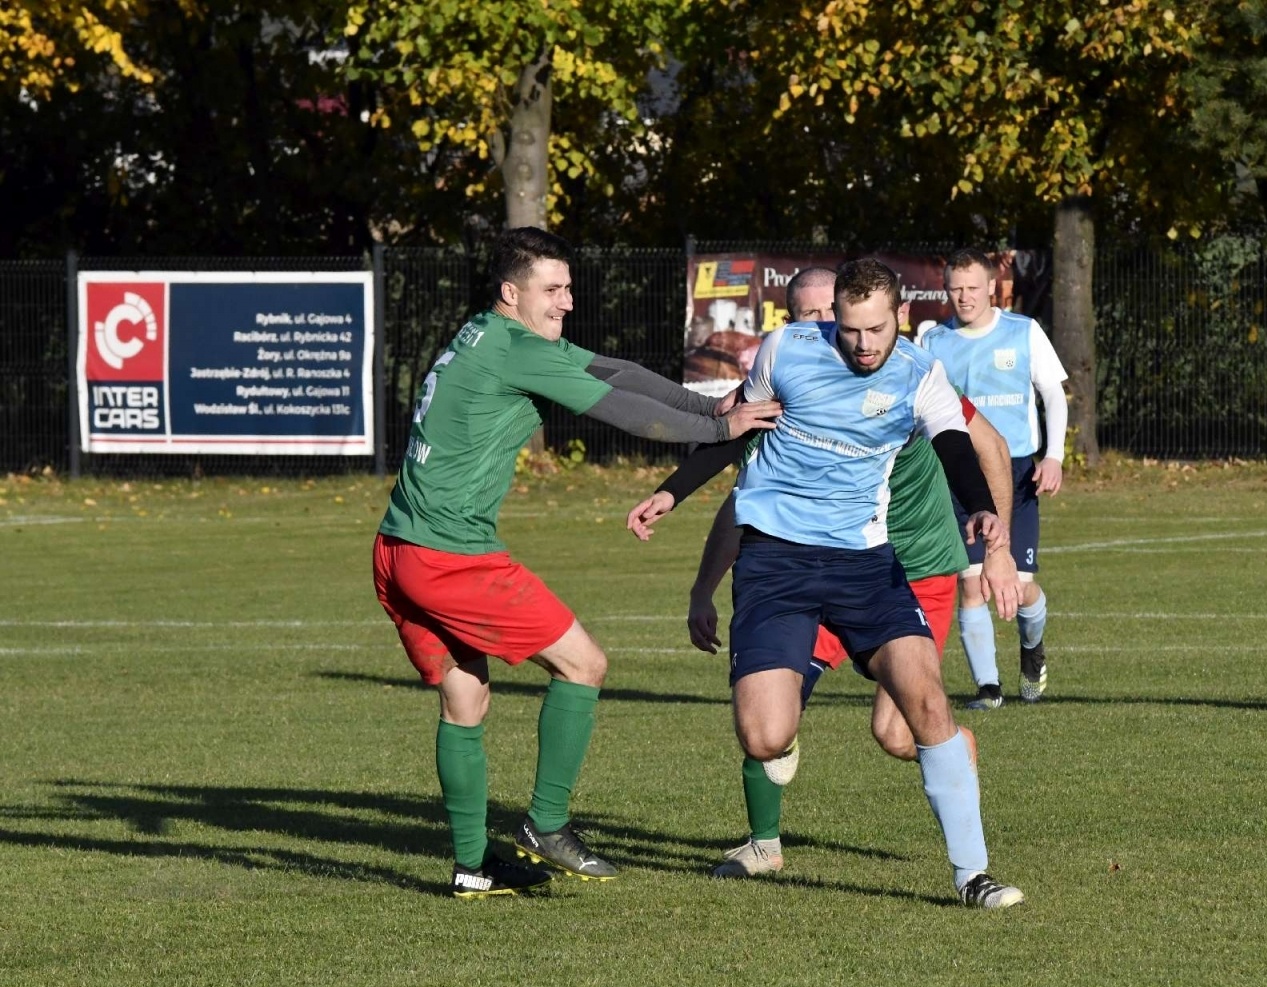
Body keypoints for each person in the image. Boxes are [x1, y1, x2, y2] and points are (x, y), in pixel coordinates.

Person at [372, 226, 780, 897]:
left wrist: (707, 403)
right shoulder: (513, 349)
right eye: (552, 289)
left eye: (568, 288)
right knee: (584, 664)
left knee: (465, 699)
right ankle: (546, 825)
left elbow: (613, 371)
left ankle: (474, 867)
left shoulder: (490, 334)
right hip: (449, 554)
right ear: (511, 292)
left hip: (398, 548)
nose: (566, 301)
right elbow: (620, 410)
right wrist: (718, 429)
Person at [626, 258, 1026, 908]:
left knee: (926, 706)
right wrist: (671, 494)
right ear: (832, 318)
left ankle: (972, 874)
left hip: (865, 564)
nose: (864, 345)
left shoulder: (920, 375)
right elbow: (737, 430)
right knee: (765, 737)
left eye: (875, 330)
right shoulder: (784, 349)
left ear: (899, 316)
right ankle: (765, 834)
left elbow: (957, 444)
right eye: (850, 330)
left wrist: (979, 506)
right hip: (775, 563)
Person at [922, 247, 1070, 710]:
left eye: (972, 287)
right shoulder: (931, 340)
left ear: (992, 288)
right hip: (958, 473)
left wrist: (1055, 455)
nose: (964, 297)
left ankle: (1032, 649)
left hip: (1018, 472)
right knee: (971, 581)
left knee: (1020, 585)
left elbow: (1053, 394)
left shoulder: (1023, 332)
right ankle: (988, 690)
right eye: (955, 288)